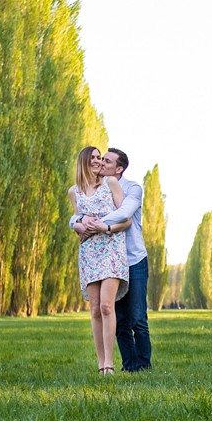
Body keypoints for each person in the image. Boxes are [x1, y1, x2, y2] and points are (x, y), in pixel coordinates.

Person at [73, 147, 151, 371]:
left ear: (119, 169)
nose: (101, 164)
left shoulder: (132, 188)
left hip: (132, 258)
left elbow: (124, 214)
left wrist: (91, 222)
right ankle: (128, 366)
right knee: (117, 317)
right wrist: (76, 220)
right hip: (104, 256)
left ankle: (143, 366)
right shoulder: (94, 188)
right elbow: (79, 206)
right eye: (99, 159)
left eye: (106, 161)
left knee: (137, 317)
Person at [68, 146, 131, 374]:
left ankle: (110, 365)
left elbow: (126, 220)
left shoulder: (111, 184)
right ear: (84, 161)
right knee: (94, 309)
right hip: (89, 252)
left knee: (106, 306)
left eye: (99, 158)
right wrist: (78, 226)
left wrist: (105, 227)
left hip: (111, 249)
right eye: (93, 158)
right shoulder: (74, 192)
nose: (98, 161)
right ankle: (100, 363)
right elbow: (77, 220)